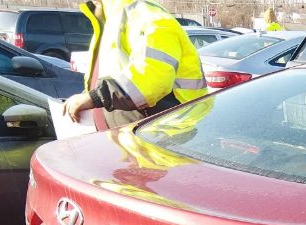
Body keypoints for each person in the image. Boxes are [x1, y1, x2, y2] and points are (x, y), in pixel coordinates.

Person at [63, 0, 207, 129]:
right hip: (132, 134)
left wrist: (95, 97)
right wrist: (89, 96)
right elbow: (112, 72)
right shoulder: (111, 19)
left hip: (163, 135)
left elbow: (152, 78)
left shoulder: (146, 16)